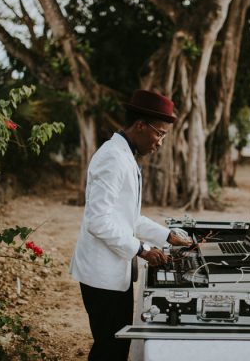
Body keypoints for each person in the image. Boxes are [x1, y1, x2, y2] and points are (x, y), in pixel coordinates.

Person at [69, 89, 192, 361]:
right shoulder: (113, 158)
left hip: (114, 271)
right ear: (140, 125)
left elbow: (128, 218)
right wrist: (142, 249)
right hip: (101, 275)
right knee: (109, 348)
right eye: (159, 133)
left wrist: (168, 236)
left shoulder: (125, 155)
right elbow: (98, 221)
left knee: (116, 344)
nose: (160, 142)